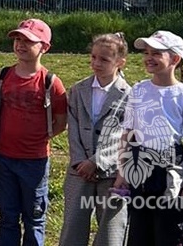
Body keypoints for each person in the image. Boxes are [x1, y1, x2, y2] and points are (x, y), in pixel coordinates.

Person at [112, 30, 183, 246]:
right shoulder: (139, 90)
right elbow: (128, 133)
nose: (149, 57)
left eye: (157, 53)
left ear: (175, 59)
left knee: (169, 230)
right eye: (147, 52)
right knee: (140, 230)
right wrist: (122, 173)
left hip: (171, 169)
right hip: (141, 167)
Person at [0, 18, 68, 246]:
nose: (21, 44)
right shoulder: (2, 76)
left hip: (34, 163)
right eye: (18, 39)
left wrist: (38, 140)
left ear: (44, 47)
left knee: (34, 217)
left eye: (28, 41)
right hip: (4, 159)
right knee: (7, 217)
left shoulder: (51, 83)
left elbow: (60, 122)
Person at [60, 32, 131, 246]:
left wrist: (97, 162)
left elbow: (124, 135)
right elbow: (72, 128)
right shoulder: (78, 90)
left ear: (120, 62)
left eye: (104, 59)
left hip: (111, 173)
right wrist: (81, 161)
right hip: (79, 170)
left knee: (111, 231)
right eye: (93, 57)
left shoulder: (129, 95)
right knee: (73, 227)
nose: (96, 63)